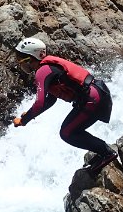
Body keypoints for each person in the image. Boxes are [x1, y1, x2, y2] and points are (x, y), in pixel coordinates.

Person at [12, 37, 117, 176]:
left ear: (32, 58)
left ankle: (107, 153)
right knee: (71, 130)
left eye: (22, 60)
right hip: (98, 94)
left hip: (92, 98)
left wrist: (24, 121)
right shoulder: (49, 69)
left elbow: (40, 103)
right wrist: (29, 115)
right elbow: (50, 100)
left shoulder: (42, 71)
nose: (20, 64)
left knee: (67, 133)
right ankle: (103, 151)